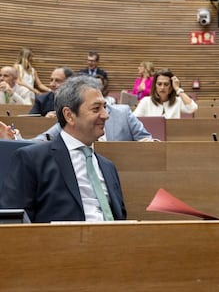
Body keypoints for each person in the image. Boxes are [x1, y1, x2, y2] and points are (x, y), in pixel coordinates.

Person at [0, 75, 127, 222]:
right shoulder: (32, 159)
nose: (105, 115)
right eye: (96, 108)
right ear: (69, 115)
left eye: (105, 107)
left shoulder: (108, 166)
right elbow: (13, 222)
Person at [33, 103, 153, 142]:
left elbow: (149, 140)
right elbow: (43, 139)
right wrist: (16, 137)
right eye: (95, 108)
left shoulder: (123, 113)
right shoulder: (73, 117)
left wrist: (148, 144)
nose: (105, 115)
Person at [133, 68, 198, 118]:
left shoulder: (177, 101)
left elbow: (193, 108)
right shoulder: (146, 101)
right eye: (159, 84)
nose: (162, 87)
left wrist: (178, 89)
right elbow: (133, 120)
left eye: (166, 84)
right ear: (155, 85)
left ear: (171, 86)